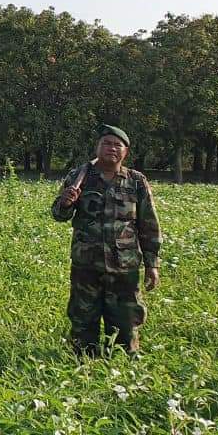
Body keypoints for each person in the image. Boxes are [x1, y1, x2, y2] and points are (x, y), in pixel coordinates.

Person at [52, 125, 162, 356]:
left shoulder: (136, 181)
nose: (111, 148)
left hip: (125, 267)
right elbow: (59, 215)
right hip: (87, 266)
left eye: (116, 145)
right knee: (83, 319)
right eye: (106, 143)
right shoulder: (78, 177)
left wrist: (153, 264)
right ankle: (83, 364)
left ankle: (123, 365)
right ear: (97, 148)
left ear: (125, 152)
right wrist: (65, 202)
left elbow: (149, 225)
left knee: (126, 321)